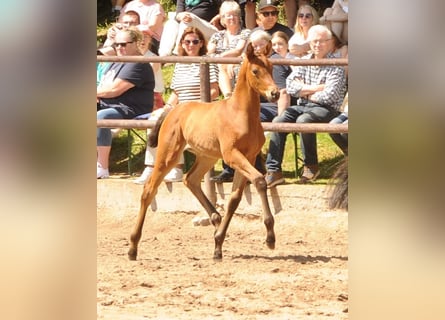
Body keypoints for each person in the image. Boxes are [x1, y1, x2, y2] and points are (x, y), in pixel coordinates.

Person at [134, 27, 220, 184]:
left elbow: (214, 91)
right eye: (187, 42)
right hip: (181, 109)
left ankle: (177, 167)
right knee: (156, 118)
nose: (191, 45)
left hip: (201, 109)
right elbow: (176, 92)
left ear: (201, 43)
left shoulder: (207, 61)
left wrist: (194, 107)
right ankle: (151, 166)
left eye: (195, 41)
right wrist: (168, 106)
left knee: (176, 125)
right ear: (182, 43)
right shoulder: (180, 63)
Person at [264, 24, 347, 187]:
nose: (318, 45)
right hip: (303, 105)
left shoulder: (336, 64)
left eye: (322, 41)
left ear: (330, 42)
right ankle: (274, 170)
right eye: (315, 41)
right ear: (309, 42)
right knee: (278, 121)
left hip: (327, 109)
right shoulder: (303, 62)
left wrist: (304, 90)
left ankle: (311, 166)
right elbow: (290, 86)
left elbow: (330, 95)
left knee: (304, 121)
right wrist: (316, 88)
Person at [211, 29, 274, 183]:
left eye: (261, 45)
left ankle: (254, 167)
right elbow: (226, 74)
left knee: (246, 125)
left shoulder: (266, 62)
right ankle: (232, 168)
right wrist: (227, 94)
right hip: (243, 103)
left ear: (267, 46)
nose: (258, 48)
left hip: (266, 103)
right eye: (255, 45)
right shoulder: (247, 61)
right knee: (233, 122)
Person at [97, 28, 155, 179]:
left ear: (136, 43)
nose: (119, 48)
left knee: (101, 117)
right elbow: (104, 88)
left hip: (130, 109)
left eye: (123, 44)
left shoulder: (137, 64)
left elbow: (115, 90)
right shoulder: (115, 62)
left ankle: (102, 167)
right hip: (109, 104)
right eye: (116, 45)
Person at [207, 1, 251, 98]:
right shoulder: (217, 35)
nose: (232, 18)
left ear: (239, 17)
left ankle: (228, 96)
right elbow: (210, 51)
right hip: (217, 65)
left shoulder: (245, 33)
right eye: (228, 15)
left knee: (223, 66)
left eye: (234, 15)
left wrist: (221, 58)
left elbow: (238, 50)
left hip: (236, 64)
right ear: (222, 18)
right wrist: (219, 59)